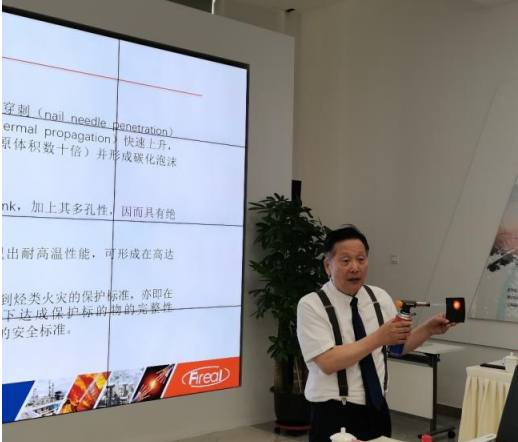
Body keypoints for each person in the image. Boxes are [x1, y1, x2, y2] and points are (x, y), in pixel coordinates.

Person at [297, 225, 456, 442]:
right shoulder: (311, 305)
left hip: (378, 407)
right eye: (345, 261)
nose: (355, 268)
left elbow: (397, 346)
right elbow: (328, 362)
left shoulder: (379, 297)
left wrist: (428, 329)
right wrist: (379, 338)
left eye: (361, 259)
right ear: (328, 266)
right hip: (334, 411)